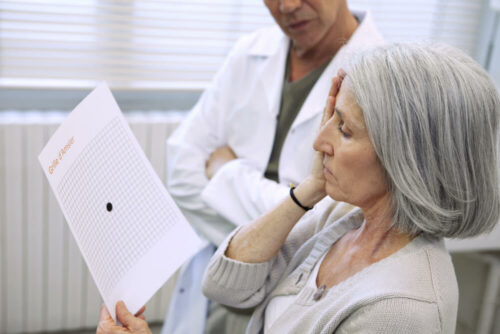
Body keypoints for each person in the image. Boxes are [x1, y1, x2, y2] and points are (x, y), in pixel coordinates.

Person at [96, 43, 500, 333]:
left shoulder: (400, 311)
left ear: (407, 159)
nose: (318, 141)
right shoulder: (342, 217)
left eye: (343, 128)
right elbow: (224, 285)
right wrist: (308, 189)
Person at [163, 0, 383, 332]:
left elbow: (345, 225)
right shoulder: (248, 53)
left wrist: (227, 173)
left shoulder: (386, 81)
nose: (288, 5)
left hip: (297, 307)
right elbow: (181, 173)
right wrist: (290, 215)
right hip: (215, 294)